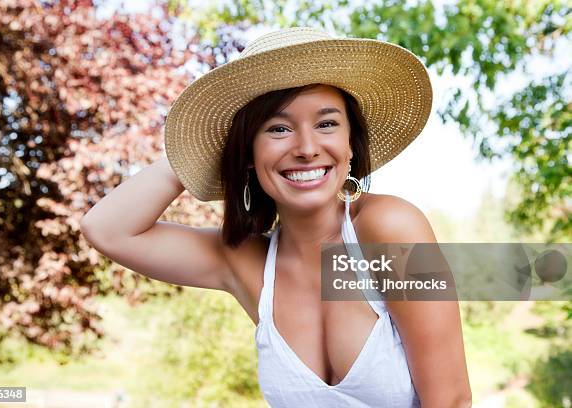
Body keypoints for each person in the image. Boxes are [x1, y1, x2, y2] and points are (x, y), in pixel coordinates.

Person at [80, 27, 472, 407]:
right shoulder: (245, 262)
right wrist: (196, 151)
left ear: (350, 144)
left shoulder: (390, 227)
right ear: (248, 155)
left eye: (326, 124)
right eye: (279, 128)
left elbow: (451, 400)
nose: (306, 148)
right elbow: (107, 230)